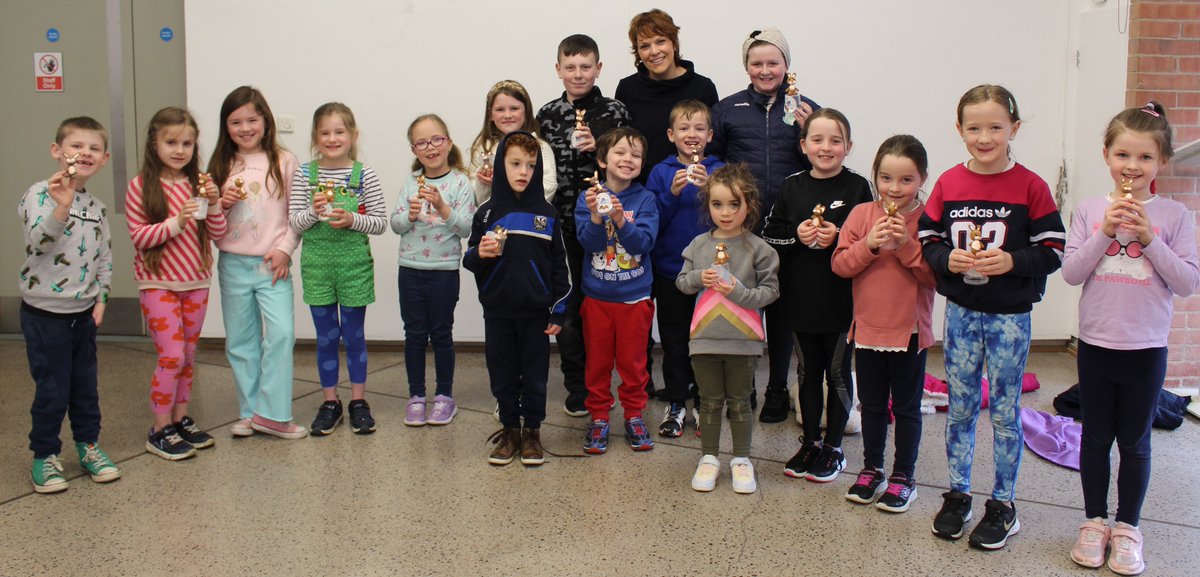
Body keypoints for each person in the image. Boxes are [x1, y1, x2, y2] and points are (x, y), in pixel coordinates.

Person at [920, 85, 1066, 550]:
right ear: (959, 130)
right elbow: (927, 237)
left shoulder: (1031, 185)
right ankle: (959, 494)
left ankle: (1004, 503)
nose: (985, 137)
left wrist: (1012, 261)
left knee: (1005, 412)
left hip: (1009, 318)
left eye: (995, 127)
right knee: (960, 409)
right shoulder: (947, 182)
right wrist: (947, 259)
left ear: (1014, 129)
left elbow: (1054, 248)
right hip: (962, 314)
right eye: (974, 128)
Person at [1061, 102, 1198, 575]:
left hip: (1146, 348)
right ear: (1106, 155)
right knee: (1095, 437)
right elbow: (1072, 273)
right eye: (1123, 155)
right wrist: (1104, 231)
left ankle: (1128, 528)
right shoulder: (1089, 210)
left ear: (1161, 163)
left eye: (1144, 158)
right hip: (1097, 344)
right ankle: (1094, 522)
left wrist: (1150, 238)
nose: (1132, 167)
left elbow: (1186, 283)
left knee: (1136, 441)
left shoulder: (1176, 216)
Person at [709, 27, 821, 422]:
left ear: (787, 65)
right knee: (741, 304)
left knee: (782, 309)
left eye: (773, 62)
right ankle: (744, 387)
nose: (765, 69)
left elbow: (822, 164)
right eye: (757, 63)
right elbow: (712, 162)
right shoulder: (726, 109)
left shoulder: (808, 110)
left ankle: (777, 388)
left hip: (790, 227)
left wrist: (809, 131)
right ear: (746, 67)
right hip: (743, 226)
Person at [761, 108, 872, 483]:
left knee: (837, 372)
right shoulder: (792, 186)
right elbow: (770, 236)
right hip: (800, 297)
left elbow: (870, 240)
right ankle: (810, 441)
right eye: (818, 139)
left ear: (848, 146)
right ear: (804, 145)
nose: (826, 147)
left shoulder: (858, 188)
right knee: (808, 372)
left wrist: (838, 237)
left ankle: (834, 447)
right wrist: (799, 235)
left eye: (835, 140)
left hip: (843, 298)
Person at [831, 135, 936, 513]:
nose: (895, 188)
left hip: (909, 332)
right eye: (886, 178)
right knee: (872, 405)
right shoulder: (861, 215)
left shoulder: (928, 219)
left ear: (922, 178)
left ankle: (904, 476)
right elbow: (840, 266)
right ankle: (871, 468)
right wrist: (870, 246)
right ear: (875, 176)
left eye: (906, 180)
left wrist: (907, 245)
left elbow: (934, 277)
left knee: (907, 408)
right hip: (868, 329)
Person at [21, 116, 120, 491]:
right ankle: (45, 455)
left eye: (94, 148)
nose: (85, 153)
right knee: (52, 388)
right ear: (57, 151)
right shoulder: (39, 194)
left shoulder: (96, 206)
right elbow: (37, 243)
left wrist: (102, 296)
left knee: (84, 386)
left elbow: (103, 256)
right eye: (77, 146)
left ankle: (88, 446)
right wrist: (60, 208)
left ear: (105, 158)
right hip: (45, 314)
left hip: (83, 314)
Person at [536, 34, 631, 417]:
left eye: (585, 66)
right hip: (563, 228)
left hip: (608, 225)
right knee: (570, 309)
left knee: (610, 305)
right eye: (570, 67)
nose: (578, 74)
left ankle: (619, 383)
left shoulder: (615, 111)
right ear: (558, 69)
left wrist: (600, 150)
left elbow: (628, 161)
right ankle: (578, 386)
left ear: (599, 68)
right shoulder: (545, 115)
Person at [125, 107, 227, 460]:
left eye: (187, 143)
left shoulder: (199, 181)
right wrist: (176, 221)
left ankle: (181, 420)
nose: (179, 150)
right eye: (171, 142)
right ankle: (159, 428)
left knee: (187, 355)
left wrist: (214, 204)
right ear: (154, 144)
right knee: (170, 355)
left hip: (196, 281)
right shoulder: (140, 185)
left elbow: (218, 233)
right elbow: (139, 237)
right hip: (157, 283)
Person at [464, 131, 571, 466]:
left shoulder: (548, 214)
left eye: (531, 164)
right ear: (500, 166)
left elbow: (559, 267)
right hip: (497, 311)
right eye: (515, 164)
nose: (524, 171)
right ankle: (510, 430)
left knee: (535, 375)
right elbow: (470, 260)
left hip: (536, 313)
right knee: (503, 372)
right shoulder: (486, 213)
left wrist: (558, 310)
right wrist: (481, 253)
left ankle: (532, 433)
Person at [207, 86, 306, 439]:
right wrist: (221, 204)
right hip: (232, 263)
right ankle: (250, 412)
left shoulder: (284, 160)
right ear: (226, 126)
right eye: (236, 122)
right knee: (241, 340)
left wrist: (286, 249)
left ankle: (275, 414)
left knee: (280, 335)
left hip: (272, 264)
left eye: (252, 119)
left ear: (266, 120)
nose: (245, 127)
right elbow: (208, 221)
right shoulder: (220, 164)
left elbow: (297, 214)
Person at [677, 164, 779, 494]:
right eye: (717, 204)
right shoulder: (697, 245)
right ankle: (708, 457)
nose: (725, 212)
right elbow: (681, 283)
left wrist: (736, 291)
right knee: (708, 402)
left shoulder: (759, 249)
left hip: (744, 342)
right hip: (704, 340)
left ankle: (741, 459)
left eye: (734, 204)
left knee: (739, 402)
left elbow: (771, 292)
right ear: (707, 205)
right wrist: (697, 278)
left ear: (749, 205)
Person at [288, 102, 387, 436]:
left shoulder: (364, 175)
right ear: (316, 138)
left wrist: (352, 219)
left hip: (354, 266)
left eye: (339, 131)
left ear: (353, 135)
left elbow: (379, 223)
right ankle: (330, 402)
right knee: (326, 338)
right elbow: (294, 223)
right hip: (317, 267)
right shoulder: (304, 174)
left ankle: (358, 401)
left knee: (354, 336)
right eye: (325, 132)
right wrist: (314, 212)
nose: (332, 138)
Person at [575, 127, 659, 454]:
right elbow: (588, 243)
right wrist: (597, 216)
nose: (628, 159)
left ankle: (635, 414)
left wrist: (622, 219)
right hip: (596, 299)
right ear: (602, 160)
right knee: (596, 362)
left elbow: (644, 243)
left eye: (636, 155)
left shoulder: (646, 199)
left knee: (633, 363)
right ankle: (598, 416)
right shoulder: (589, 198)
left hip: (634, 299)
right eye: (620, 153)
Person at [646, 99, 724, 437]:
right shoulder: (660, 172)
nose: (691, 134)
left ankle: (706, 399)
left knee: (706, 340)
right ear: (671, 134)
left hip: (710, 273)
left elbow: (730, 216)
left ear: (709, 135)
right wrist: (672, 193)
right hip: (670, 271)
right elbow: (651, 221)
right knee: (675, 340)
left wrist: (712, 190)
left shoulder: (720, 169)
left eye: (698, 129)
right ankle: (677, 400)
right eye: (684, 128)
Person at [391, 114, 475, 427]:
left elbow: (466, 228)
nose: (430, 147)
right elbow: (395, 225)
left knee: (441, 334)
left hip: (443, 271)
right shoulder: (411, 183)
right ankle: (415, 397)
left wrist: (442, 207)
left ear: (448, 143)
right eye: (422, 142)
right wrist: (410, 215)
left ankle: (444, 397)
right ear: (414, 149)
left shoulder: (460, 183)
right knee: (413, 334)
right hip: (410, 269)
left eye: (436, 140)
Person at [615, 9, 718, 175]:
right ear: (638, 52)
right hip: (641, 188)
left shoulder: (703, 87)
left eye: (660, 41)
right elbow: (621, 144)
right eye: (645, 46)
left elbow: (714, 144)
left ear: (674, 43)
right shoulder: (627, 89)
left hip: (692, 186)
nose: (654, 51)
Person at [470, 80, 558, 205]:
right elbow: (475, 199)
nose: (507, 115)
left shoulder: (540, 147)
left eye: (514, 108)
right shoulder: (483, 148)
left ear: (526, 112)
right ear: (490, 114)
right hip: (494, 221)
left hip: (529, 219)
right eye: (500, 109)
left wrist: (508, 192)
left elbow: (549, 187)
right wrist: (484, 183)